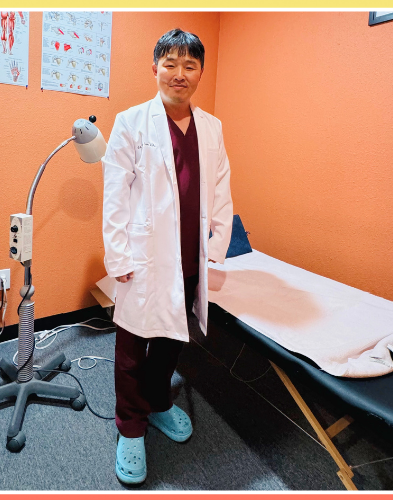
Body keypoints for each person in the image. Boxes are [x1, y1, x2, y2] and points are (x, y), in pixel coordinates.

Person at [102, 28, 233, 485]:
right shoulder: (130, 122)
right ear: (154, 66)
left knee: (173, 338)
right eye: (171, 63)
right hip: (143, 256)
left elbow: (220, 194)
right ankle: (130, 427)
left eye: (190, 65)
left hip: (190, 257)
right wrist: (117, 258)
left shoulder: (212, 127)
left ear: (200, 72)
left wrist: (215, 252)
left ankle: (158, 402)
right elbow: (114, 197)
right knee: (133, 347)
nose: (180, 73)